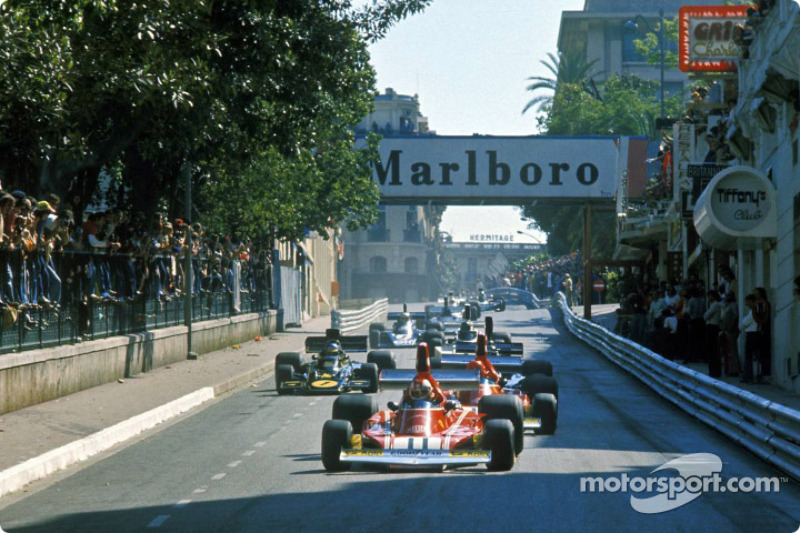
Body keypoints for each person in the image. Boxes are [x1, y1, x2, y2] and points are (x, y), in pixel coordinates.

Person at [739, 293, 760, 384]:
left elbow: (744, 323)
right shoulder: (752, 311)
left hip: (753, 334)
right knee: (750, 356)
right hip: (752, 334)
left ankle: (749, 376)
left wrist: (743, 323)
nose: (746, 303)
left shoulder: (753, 312)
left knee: (749, 356)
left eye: (747, 301)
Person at [752, 287, 771, 382]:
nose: (755, 295)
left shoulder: (762, 304)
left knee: (763, 352)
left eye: (757, 293)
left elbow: (762, 317)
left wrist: (761, 325)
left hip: (762, 330)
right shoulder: (758, 303)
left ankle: (764, 373)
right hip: (759, 329)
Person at [720, 291, 740, 376]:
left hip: (731, 330)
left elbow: (735, 316)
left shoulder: (733, 305)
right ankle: (728, 369)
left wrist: (730, 327)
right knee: (727, 351)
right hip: (726, 330)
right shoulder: (726, 305)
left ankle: (734, 370)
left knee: (732, 350)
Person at [703, 290, 723, 377]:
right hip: (712, 327)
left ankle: (714, 371)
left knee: (713, 350)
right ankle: (714, 370)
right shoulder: (715, 305)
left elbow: (706, 315)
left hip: (713, 327)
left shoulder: (715, 305)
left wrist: (706, 316)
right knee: (712, 350)